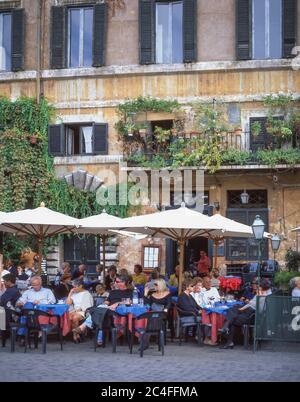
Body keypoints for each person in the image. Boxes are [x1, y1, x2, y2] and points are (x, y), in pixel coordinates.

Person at [72, 275, 133, 344]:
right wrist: (104, 305)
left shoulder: (131, 292)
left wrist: (117, 303)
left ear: (124, 282)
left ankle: (84, 328)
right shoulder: (113, 292)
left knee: (100, 312)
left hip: (119, 311)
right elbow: (107, 302)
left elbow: (131, 302)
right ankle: (97, 338)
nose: (115, 283)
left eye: (117, 281)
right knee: (100, 311)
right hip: (108, 311)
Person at [220, 280, 272, 349]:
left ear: (263, 287)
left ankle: (228, 336)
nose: (257, 287)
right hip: (247, 309)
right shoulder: (262, 293)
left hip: (252, 315)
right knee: (232, 309)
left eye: (259, 286)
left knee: (232, 318)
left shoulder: (265, 296)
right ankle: (226, 328)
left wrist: (249, 303)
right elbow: (252, 302)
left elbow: (257, 307)